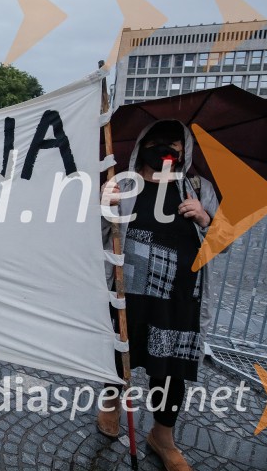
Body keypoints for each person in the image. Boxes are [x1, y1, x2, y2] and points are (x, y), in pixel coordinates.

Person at [98, 120, 219, 471]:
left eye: (174, 143)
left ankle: (162, 436)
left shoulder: (198, 187)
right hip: (128, 292)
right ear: (142, 144)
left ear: (185, 150)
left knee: (170, 370)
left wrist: (205, 218)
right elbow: (95, 234)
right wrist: (106, 208)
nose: (166, 148)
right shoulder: (121, 183)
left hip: (179, 298)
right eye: (157, 141)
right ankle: (111, 402)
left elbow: (223, 244)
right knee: (120, 352)